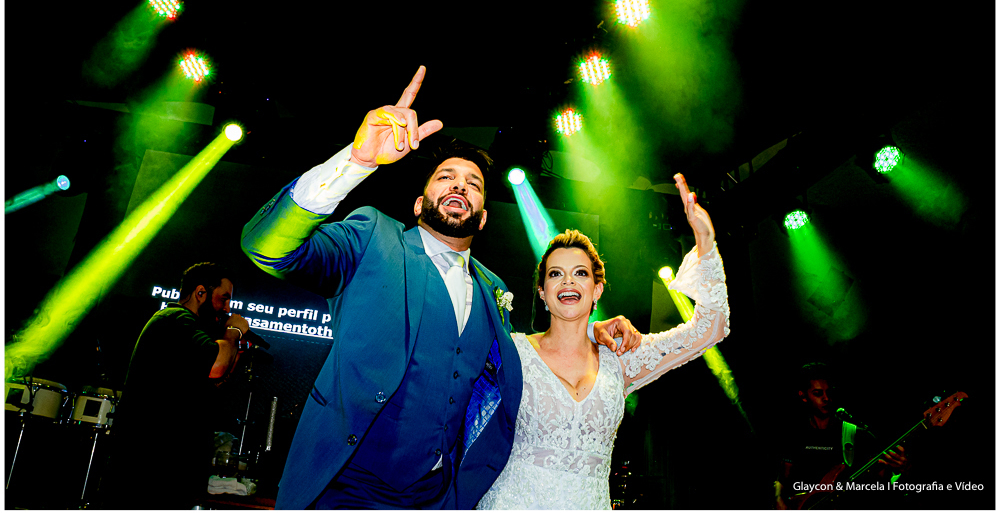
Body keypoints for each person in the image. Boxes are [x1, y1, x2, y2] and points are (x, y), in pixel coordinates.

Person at [240, 66, 642, 510]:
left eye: (474, 184)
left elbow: (524, 363)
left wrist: (587, 333)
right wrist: (357, 161)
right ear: (419, 203)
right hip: (344, 483)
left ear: (483, 218)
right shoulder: (373, 238)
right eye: (446, 177)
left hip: (435, 497)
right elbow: (268, 248)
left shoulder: (493, 290)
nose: (460, 185)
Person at [477, 173, 730, 510]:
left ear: (596, 290)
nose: (568, 281)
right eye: (556, 274)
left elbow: (711, 328)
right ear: (542, 292)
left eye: (580, 273)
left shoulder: (620, 356)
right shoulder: (512, 351)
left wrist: (705, 239)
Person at [104, 262, 249, 510]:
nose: (227, 308)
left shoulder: (187, 328)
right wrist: (233, 331)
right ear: (200, 292)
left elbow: (215, 379)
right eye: (223, 298)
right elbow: (216, 365)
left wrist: (233, 347)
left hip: (163, 467)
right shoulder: (177, 320)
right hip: (151, 468)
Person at [773, 363, 909, 510]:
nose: (826, 398)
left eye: (829, 392)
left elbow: (884, 484)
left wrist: (903, 469)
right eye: (818, 393)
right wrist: (778, 499)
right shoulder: (794, 435)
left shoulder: (857, 435)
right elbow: (782, 479)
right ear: (803, 396)